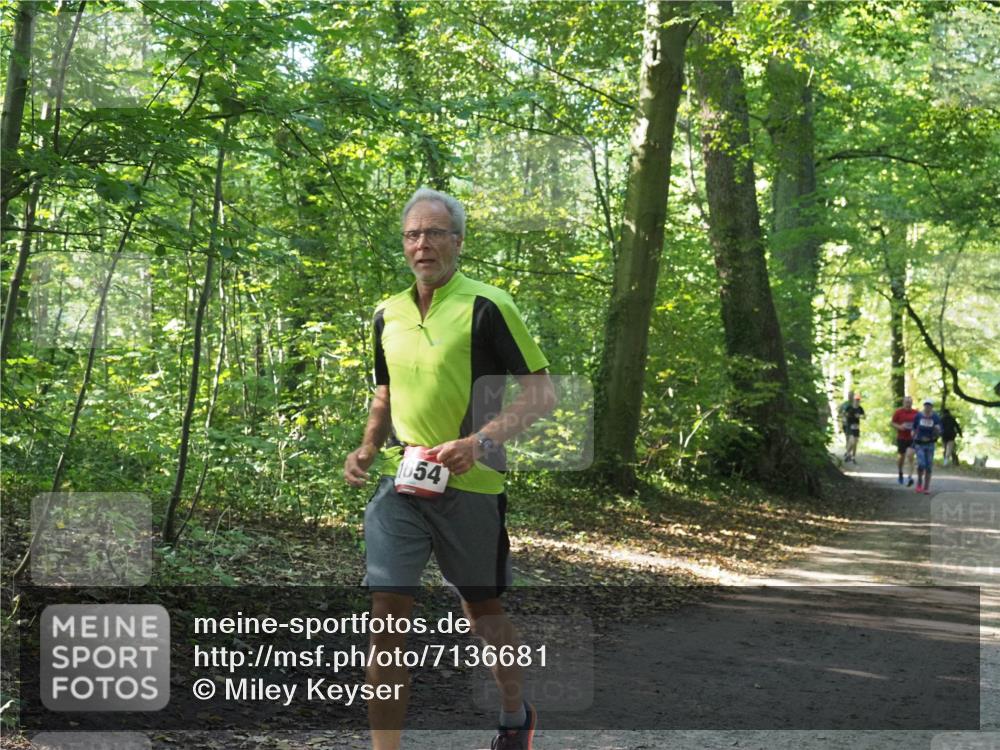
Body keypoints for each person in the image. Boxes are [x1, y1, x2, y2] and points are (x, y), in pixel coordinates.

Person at [343, 188, 555, 750]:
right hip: (402, 482)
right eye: (413, 234)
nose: (423, 244)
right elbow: (384, 392)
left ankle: (515, 713)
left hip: (473, 486)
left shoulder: (489, 305)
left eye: (435, 233)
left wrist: (479, 441)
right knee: (385, 618)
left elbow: (542, 394)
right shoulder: (386, 313)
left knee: (481, 609)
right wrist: (367, 447)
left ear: (458, 241)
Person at [912, 399, 942, 494]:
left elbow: (940, 430)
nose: (927, 407)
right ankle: (919, 482)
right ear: (924, 406)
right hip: (919, 443)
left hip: (930, 443)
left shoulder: (935, 417)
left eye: (929, 405)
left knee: (929, 466)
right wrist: (913, 435)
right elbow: (914, 427)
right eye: (926, 405)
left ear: (932, 407)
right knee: (921, 464)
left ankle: (926, 487)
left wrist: (937, 430)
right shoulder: (919, 416)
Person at [890, 395, 919, 486]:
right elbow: (892, 423)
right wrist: (900, 427)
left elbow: (919, 424)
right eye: (906, 402)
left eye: (909, 402)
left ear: (912, 403)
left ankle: (910, 477)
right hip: (902, 438)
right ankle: (900, 473)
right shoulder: (898, 412)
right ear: (903, 403)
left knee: (910, 456)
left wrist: (916, 431)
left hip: (912, 438)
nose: (908, 404)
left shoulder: (916, 413)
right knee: (901, 458)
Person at [843, 394, 865, 464]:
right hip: (849, 425)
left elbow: (864, 416)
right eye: (856, 400)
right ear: (853, 400)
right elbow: (844, 414)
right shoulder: (849, 407)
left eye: (858, 400)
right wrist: (847, 415)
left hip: (856, 426)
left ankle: (852, 457)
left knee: (855, 442)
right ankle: (847, 453)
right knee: (851, 441)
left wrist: (860, 416)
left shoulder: (860, 408)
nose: (857, 401)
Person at [838, 389, 855, 454]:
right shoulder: (844, 404)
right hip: (846, 423)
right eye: (849, 395)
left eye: (851, 395)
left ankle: (848, 452)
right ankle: (848, 452)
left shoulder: (855, 404)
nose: (850, 396)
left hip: (854, 424)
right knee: (847, 437)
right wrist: (843, 416)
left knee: (853, 438)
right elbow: (839, 413)